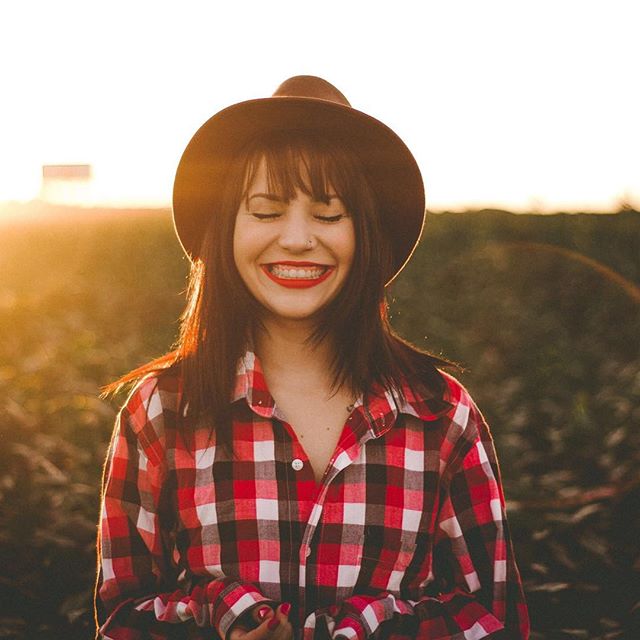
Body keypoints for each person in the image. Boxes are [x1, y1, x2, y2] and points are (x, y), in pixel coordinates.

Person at [95, 75, 530, 640]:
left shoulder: (442, 415)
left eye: (329, 215)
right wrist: (220, 617)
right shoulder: (160, 410)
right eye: (267, 211)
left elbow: (494, 620)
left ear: (366, 233)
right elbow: (122, 617)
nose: (298, 239)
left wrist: (360, 630)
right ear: (225, 230)